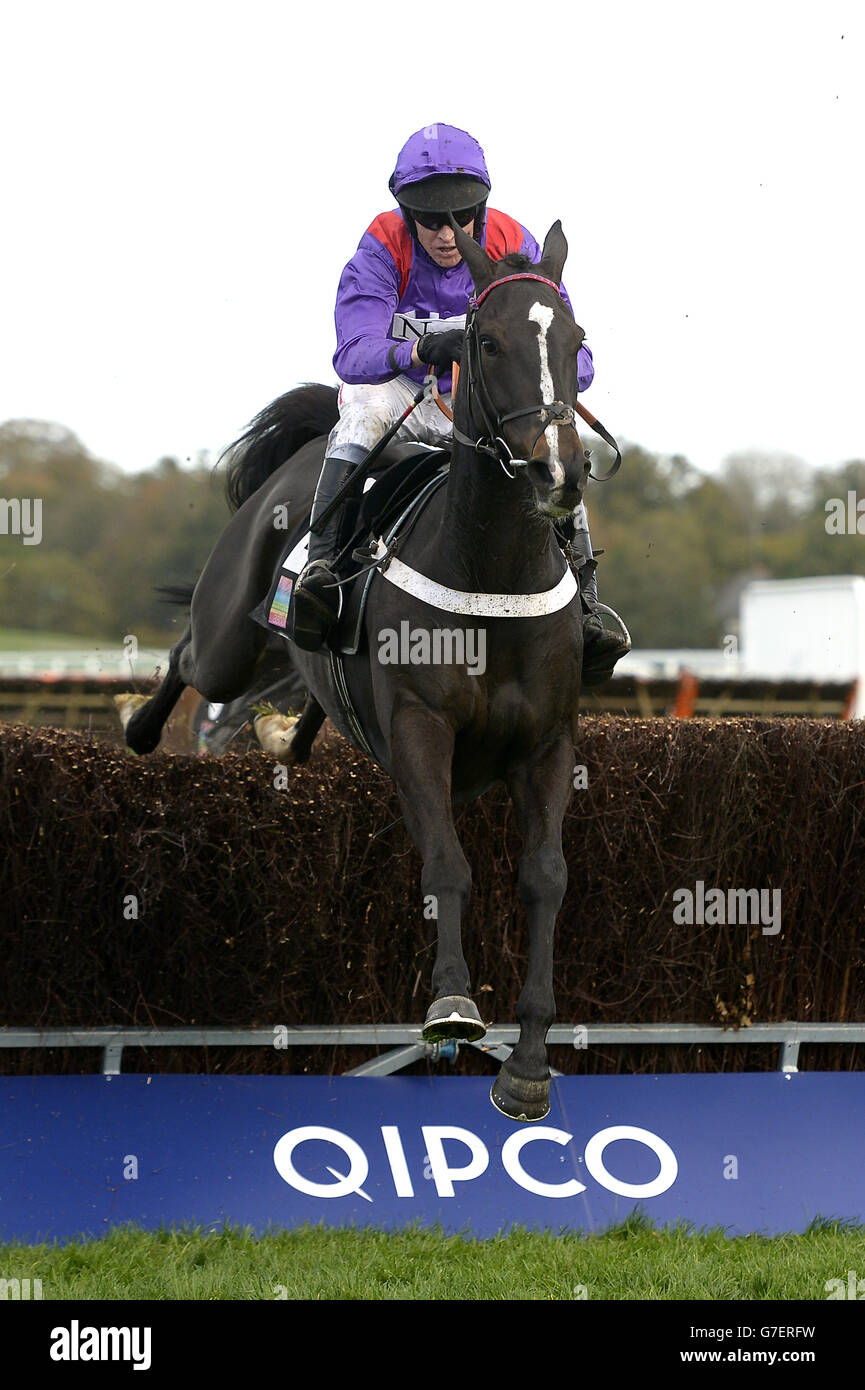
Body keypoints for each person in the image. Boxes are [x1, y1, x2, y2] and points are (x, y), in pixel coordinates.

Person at [292, 123, 629, 679]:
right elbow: (352, 354)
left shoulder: (516, 244)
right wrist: (423, 349)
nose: (447, 234)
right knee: (361, 411)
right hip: (401, 389)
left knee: (552, 443)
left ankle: (588, 603)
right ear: (406, 214)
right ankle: (320, 566)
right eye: (429, 220)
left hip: (479, 402)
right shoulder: (381, 246)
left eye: (461, 216)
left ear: (483, 206)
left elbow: (577, 361)